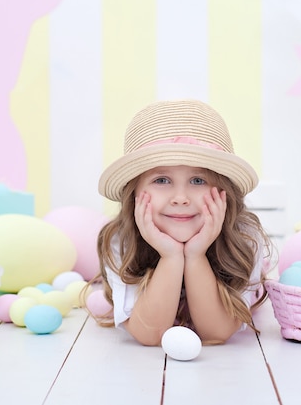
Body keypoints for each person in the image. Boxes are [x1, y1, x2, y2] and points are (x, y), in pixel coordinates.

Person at [95, 99, 272, 346]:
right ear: (134, 192)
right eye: (162, 180)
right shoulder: (121, 238)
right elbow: (150, 335)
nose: (180, 198)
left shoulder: (243, 236)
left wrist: (196, 255)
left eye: (198, 181)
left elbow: (216, 333)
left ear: (224, 191)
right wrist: (171, 257)